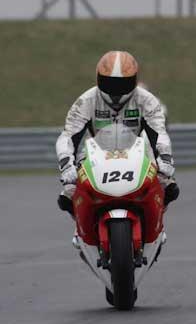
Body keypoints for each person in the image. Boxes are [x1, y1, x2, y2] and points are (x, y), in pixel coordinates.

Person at [56, 51, 179, 215]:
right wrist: (66, 165)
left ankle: (155, 226)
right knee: (69, 193)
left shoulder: (147, 100)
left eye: (122, 84)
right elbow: (68, 136)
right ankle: (82, 232)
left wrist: (165, 159)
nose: (116, 90)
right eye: (110, 83)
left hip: (138, 155)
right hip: (95, 155)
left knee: (168, 186)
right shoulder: (85, 101)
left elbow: (159, 133)